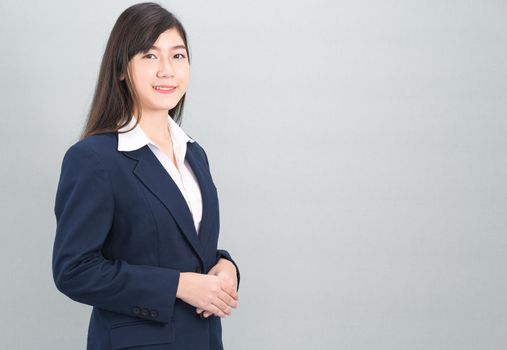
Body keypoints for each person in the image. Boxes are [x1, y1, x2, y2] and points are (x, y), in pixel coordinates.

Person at [51, 3, 240, 349]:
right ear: (122, 69)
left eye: (178, 56)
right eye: (150, 57)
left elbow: (179, 244)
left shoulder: (193, 154)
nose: (167, 70)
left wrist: (225, 265)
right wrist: (179, 286)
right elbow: (74, 270)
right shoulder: (94, 159)